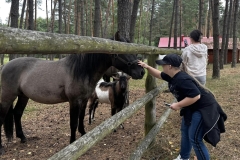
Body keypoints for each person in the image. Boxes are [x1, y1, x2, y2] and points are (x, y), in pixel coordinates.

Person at [138, 53, 227, 160]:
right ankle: (184, 157)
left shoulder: (182, 79)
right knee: (185, 131)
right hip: (192, 107)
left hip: (204, 108)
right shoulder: (172, 76)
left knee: (195, 138)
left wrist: (178, 105)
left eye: (163, 64)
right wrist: (147, 67)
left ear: (169, 66)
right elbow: (158, 74)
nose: (162, 66)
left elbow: (196, 95)